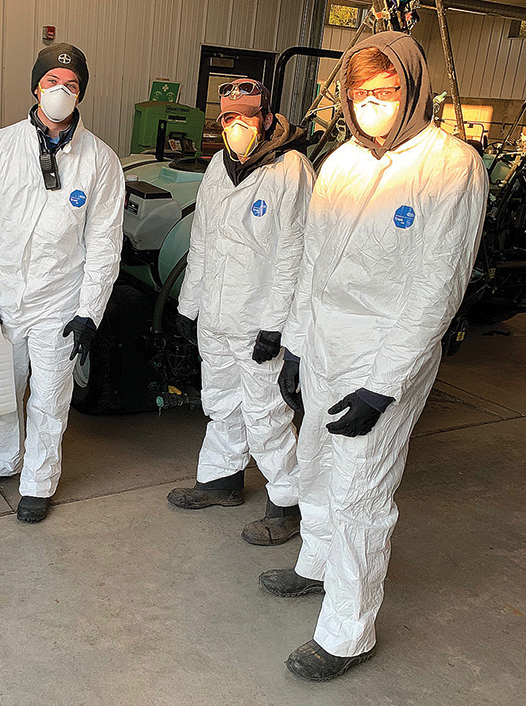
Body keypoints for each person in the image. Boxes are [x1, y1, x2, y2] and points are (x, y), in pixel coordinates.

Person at [266, 32, 488, 680]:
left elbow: (436, 289)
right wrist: (296, 350)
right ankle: (314, 565)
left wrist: (384, 386)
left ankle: (347, 632)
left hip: (387, 350)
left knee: (361, 486)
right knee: (314, 462)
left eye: (386, 92)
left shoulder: (450, 167)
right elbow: (311, 266)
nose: (372, 105)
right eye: (362, 94)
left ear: (413, 90)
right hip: (327, 339)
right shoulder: (340, 165)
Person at [0, 43, 125, 523]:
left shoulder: (101, 161)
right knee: (2, 386)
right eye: (52, 82)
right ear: (36, 86)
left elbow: (105, 244)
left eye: (71, 85)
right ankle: (0, 460)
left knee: (51, 395)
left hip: (61, 299)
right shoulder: (0, 146)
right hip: (5, 296)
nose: (61, 92)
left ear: (81, 95)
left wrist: (89, 311)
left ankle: (37, 481)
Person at [166, 79, 315, 546]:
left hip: (258, 324)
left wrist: (277, 327)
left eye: (247, 116)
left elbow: (297, 254)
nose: (237, 126)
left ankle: (286, 505)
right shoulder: (217, 165)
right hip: (215, 315)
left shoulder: (292, 170)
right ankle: (221, 481)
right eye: (228, 117)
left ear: (267, 118)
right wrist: (187, 308)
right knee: (220, 402)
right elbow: (202, 242)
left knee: (266, 414)